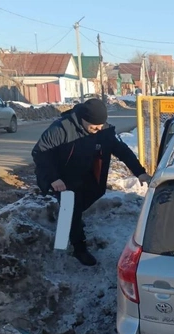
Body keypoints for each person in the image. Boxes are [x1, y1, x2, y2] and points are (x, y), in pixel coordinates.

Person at [32, 99, 149, 266]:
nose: (97, 130)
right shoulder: (61, 129)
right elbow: (40, 153)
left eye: (100, 126)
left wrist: (140, 172)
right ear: (82, 119)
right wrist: (53, 178)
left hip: (85, 174)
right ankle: (76, 248)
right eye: (94, 127)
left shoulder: (103, 131)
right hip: (61, 176)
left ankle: (72, 220)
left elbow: (122, 151)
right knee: (70, 209)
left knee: (86, 201)